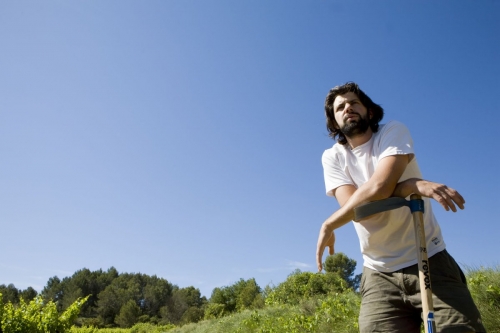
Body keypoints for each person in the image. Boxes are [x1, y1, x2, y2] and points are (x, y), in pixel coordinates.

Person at [316, 82, 485, 332]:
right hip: (378, 273)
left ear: (370, 112)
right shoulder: (332, 157)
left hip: (429, 258)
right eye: (340, 107)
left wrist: (332, 221)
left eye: (354, 103)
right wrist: (409, 186)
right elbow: (355, 209)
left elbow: (380, 188)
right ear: (335, 123)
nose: (347, 108)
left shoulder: (392, 132)